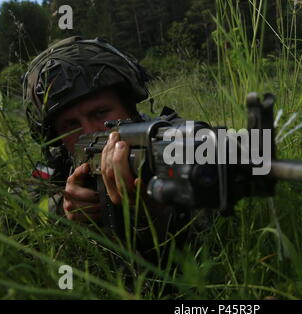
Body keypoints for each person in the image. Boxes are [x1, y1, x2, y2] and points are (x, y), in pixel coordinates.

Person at [23, 36, 188, 261]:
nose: (89, 131)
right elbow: (21, 206)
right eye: (70, 125)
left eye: (100, 113)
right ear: (56, 137)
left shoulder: (171, 140)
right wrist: (62, 207)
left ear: (129, 107)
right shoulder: (55, 165)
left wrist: (156, 211)